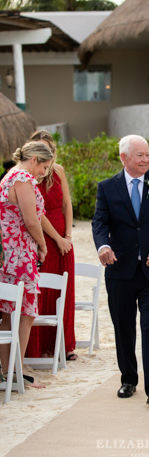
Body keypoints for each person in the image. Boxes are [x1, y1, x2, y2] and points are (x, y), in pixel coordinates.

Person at [92, 134, 149, 406]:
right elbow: (100, 223)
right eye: (140, 155)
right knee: (123, 327)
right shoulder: (107, 187)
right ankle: (128, 379)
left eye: (148, 154)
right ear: (124, 158)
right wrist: (103, 247)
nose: (146, 159)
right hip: (119, 269)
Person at [0, 141, 53, 387]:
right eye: (44, 167)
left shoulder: (9, 175)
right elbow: (32, 221)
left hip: (9, 252)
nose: (43, 173)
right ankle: (17, 373)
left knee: (9, 313)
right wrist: (42, 245)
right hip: (19, 253)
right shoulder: (22, 178)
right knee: (24, 313)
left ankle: (9, 373)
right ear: (34, 160)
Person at [25, 130, 76, 361]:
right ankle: (38, 347)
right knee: (42, 291)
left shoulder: (58, 171)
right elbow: (37, 213)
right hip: (44, 236)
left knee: (63, 293)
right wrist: (57, 238)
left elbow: (67, 203)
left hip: (63, 239)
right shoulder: (29, 177)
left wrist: (68, 236)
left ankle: (65, 346)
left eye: (47, 148)